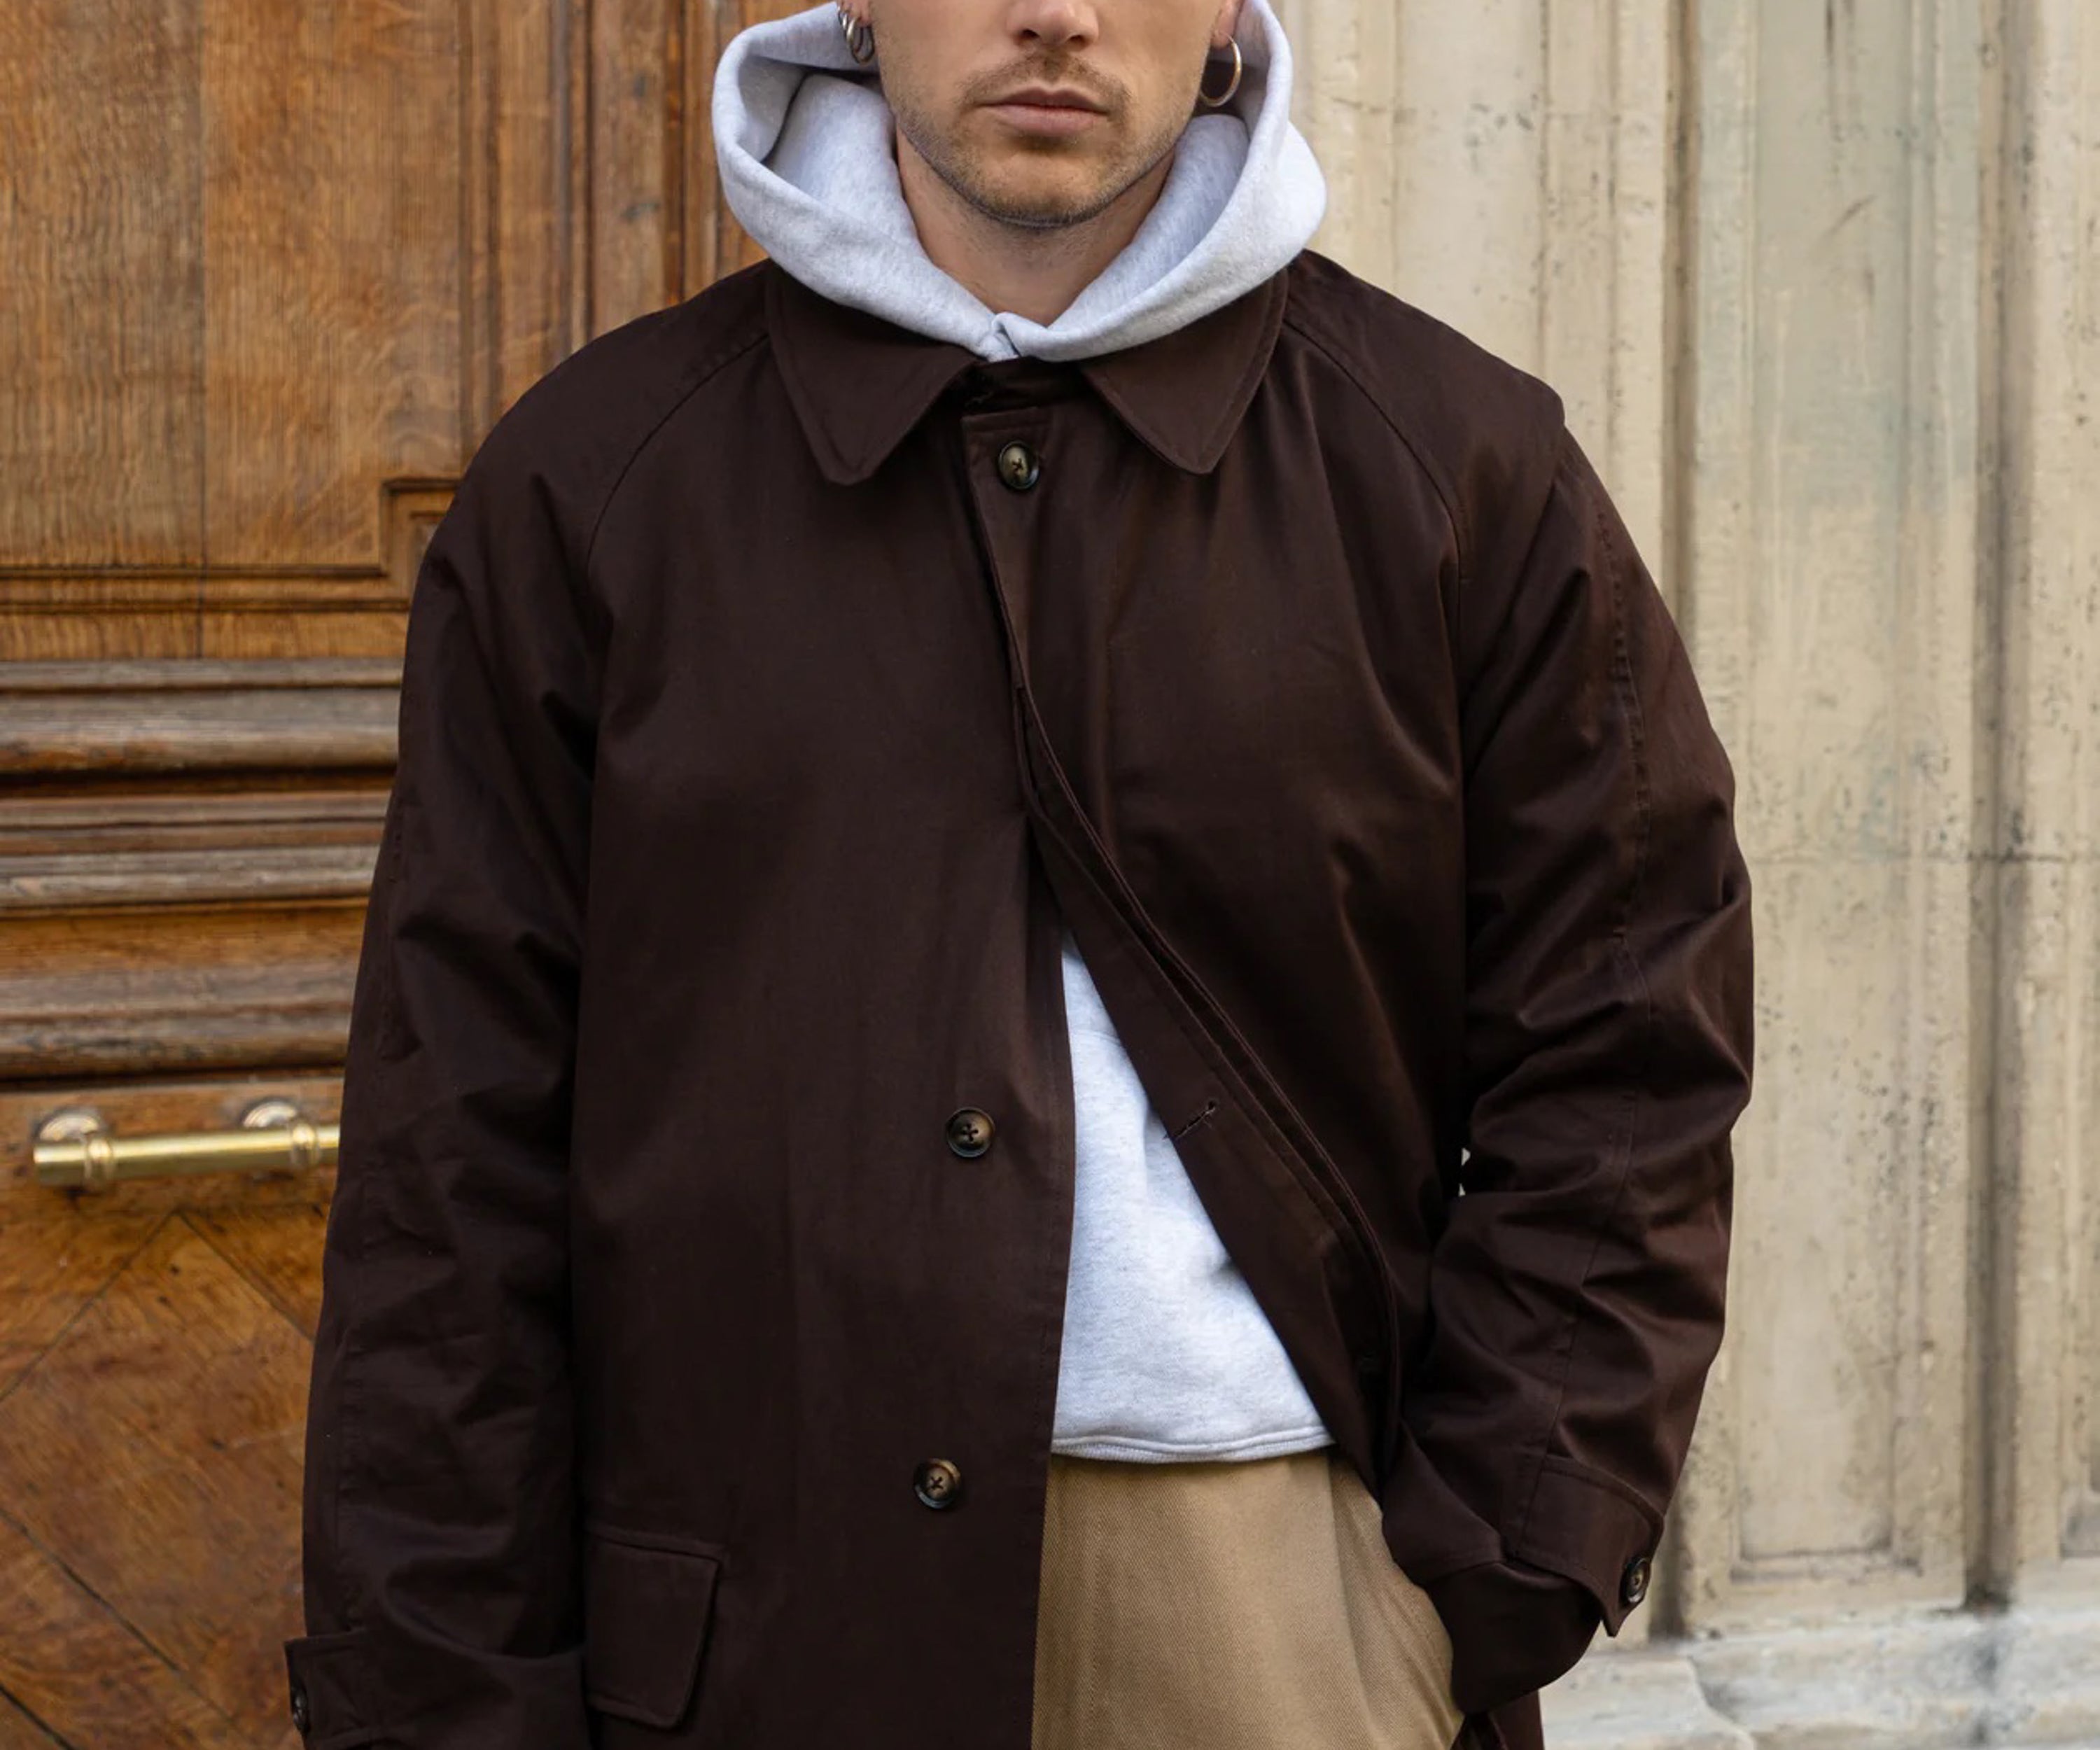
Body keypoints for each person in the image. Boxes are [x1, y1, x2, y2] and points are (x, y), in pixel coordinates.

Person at [282, 1, 1755, 1747]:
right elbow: (452, 1154)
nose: (1057, 11)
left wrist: (1496, 1555)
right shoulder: (597, 484)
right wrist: (442, 1690)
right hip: (741, 1625)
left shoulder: (1457, 471)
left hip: (1287, 1616)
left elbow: (1630, 1035)